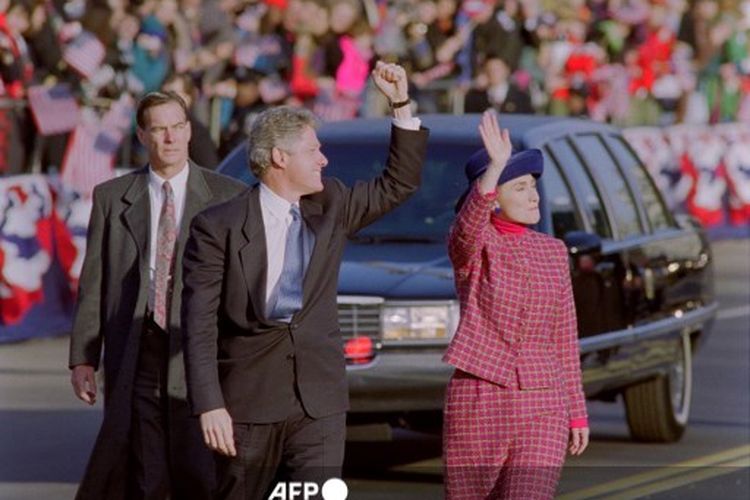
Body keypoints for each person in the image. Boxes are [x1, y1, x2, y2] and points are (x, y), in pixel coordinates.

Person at [181, 60, 429, 499]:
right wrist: (210, 404)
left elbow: (398, 184)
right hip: (248, 403)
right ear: (279, 157)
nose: (324, 159)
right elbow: (199, 324)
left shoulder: (330, 204)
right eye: (313, 150)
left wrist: (401, 105)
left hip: (320, 402)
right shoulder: (217, 226)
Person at [68, 91, 246, 500]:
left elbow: (239, 285)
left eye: (178, 127)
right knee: (145, 471)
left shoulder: (228, 195)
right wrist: (83, 357)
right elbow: (95, 281)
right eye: (159, 129)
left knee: (197, 466)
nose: (170, 138)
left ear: (189, 131)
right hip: (138, 345)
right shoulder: (112, 197)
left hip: (199, 350)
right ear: (143, 136)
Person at [442, 110, 589, 500]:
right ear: (493, 198)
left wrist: (576, 410)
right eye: (520, 186)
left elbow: (564, 337)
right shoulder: (473, 247)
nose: (533, 195)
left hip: (544, 401)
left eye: (533, 186)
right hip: (479, 396)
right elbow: (465, 231)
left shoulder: (553, 252)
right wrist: (493, 170)